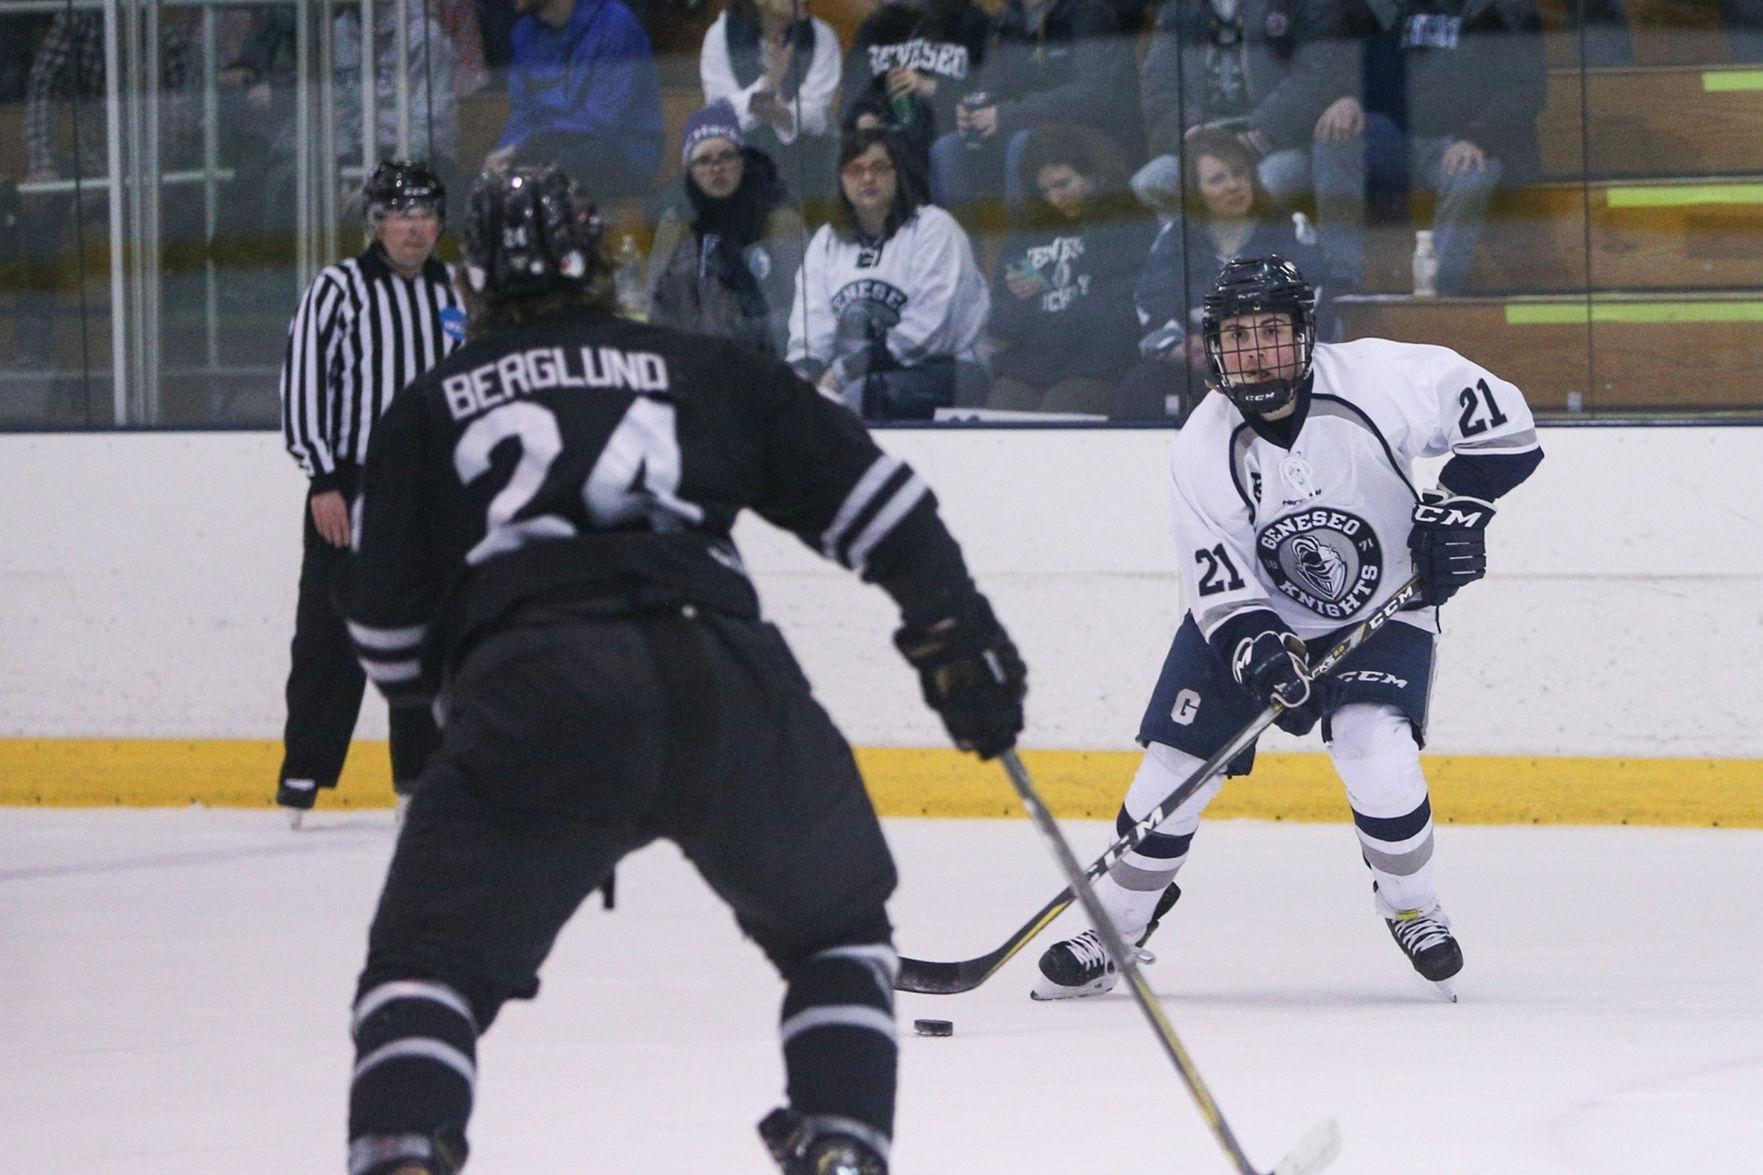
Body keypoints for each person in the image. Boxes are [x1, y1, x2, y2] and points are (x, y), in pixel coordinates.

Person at [339, 164, 1027, 1175]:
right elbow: (877, 501)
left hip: (531, 685)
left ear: (471, 278)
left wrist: (478, 685)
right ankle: (841, 1140)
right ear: (603, 258)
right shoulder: (695, 365)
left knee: (424, 967)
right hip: (721, 668)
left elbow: (389, 644)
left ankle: (402, 1151)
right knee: (836, 931)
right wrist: (951, 632)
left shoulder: (424, 407)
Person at [1032, 255, 1543, 1001]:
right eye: (1238, 335)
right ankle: (1114, 926)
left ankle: (1410, 906)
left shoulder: (1378, 381)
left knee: (1379, 756)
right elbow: (1220, 587)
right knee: (1173, 768)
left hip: (1381, 611)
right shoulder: (1201, 446)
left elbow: (1507, 424)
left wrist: (1462, 503)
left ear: (1304, 333)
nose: (1256, 350)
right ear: (1214, 348)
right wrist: (1259, 646)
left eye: (1272, 329)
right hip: (1258, 618)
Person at [274, 161, 464, 827]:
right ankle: (302, 781)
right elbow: (302, 388)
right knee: (329, 639)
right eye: (401, 214)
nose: (414, 228)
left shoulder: (454, 293)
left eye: (425, 214)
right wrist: (322, 478)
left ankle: (419, 782)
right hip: (351, 485)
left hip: (434, 493)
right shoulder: (337, 289)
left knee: (428, 638)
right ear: (376, 222)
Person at [1312, 0, 1545, 294]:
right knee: (1336, 136)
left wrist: (1477, 136)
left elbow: (1528, 89)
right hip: (1395, 138)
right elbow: (1349, 51)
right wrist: (1346, 95)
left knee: (1472, 173)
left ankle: (1441, 289)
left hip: (1470, 142)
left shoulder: (1507, 7)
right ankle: (1341, 283)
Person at [1113, 128, 1327, 422]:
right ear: (1195, 190)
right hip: (1202, 367)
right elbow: (1152, 303)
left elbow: (1311, 304)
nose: (1233, 186)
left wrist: (1243, 348)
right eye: (1217, 179)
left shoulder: (1288, 228)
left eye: (1239, 174)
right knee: (1140, 386)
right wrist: (1179, 347)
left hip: (1275, 364)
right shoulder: (1176, 238)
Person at [788, 128, 989, 421]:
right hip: (857, 375)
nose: (867, 178)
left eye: (879, 167)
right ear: (841, 179)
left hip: (948, 369)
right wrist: (802, 378)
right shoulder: (827, 240)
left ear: (899, 174)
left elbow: (927, 333)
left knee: (859, 399)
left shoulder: (934, 228)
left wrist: (845, 371)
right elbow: (811, 326)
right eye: (855, 169)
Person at [986, 123, 1154, 416]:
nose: (1054, 198)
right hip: (1027, 367)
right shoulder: (1028, 231)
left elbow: (1123, 312)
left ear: (1095, 176)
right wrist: (1022, 299)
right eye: (1045, 190)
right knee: (998, 416)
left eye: (1063, 184)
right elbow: (1000, 321)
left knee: (1059, 417)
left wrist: (1051, 301)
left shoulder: (1128, 222)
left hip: (1095, 369)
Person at [1131, 0, 1348, 221]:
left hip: (1276, 144)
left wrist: (1263, 129)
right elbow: (1157, 85)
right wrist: (1194, 136)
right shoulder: (1180, 7)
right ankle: (1180, 252)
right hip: (1202, 144)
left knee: (1265, 183)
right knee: (1154, 181)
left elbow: (1316, 74)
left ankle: (1258, 252)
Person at [926, 0, 1138, 213]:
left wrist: (1008, 114)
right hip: (1014, 127)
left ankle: (1023, 242)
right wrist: (972, 108)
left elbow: (1092, 94)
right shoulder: (1008, 18)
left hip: (1079, 132)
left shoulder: (1088, 10)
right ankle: (961, 242)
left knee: (1024, 146)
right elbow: (991, 84)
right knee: (946, 149)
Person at [646, 102, 805, 357]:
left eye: (726, 156)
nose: (716, 168)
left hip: (768, 361)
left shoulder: (777, 217)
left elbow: (800, 308)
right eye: (704, 161)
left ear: (742, 160)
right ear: (689, 170)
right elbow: (660, 308)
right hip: (697, 364)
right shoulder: (676, 222)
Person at [487, 0, 663, 201]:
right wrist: (504, 154)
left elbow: (602, 119)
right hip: (543, 150)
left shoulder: (615, 23)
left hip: (621, 152)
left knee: (547, 172)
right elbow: (523, 114)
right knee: (487, 184)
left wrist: (524, 150)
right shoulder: (524, 32)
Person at [700, 0, 842, 196]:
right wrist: (767, 84)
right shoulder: (720, 35)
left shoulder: (822, 36)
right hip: (742, 165)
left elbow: (818, 114)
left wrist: (784, 115)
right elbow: (721, 116)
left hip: (806, 165)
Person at [841, 0, 990, 181]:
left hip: (947, 132)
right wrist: (864, 117)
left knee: (940, 151)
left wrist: (930, 87)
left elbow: (986, 91)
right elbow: (854, 92)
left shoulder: (973, 23)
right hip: (889, 132)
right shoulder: (876, 28)